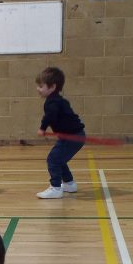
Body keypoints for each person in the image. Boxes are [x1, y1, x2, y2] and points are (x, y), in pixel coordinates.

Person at [35, 67, 86, 199]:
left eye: (41, 86)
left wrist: (42, 128)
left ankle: (56, 188)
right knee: (59, 159)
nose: (38, 89)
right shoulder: (58, 100)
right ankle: (69, 183)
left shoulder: (52, 103)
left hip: (72, 137)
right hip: (74, 136)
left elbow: (50, 116)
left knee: (53, 159)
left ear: (52, 87)